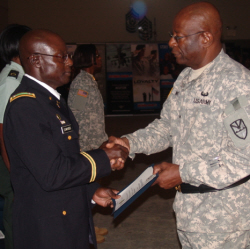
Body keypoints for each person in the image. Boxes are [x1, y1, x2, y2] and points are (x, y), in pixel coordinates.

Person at [107, 2, 250, 248]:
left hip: (224, 220)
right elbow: (167, 126)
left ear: (205, 37)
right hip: (189, 213)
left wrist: (184, 172)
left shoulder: (236, 83)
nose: (171, 43)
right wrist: (131, 143)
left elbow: (243, 157)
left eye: (178, 37)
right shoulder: (185, 77)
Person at [3, 29, 128, 249]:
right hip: (46, 227)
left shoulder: (52, 100)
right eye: (62, 56)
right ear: (35, 60)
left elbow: (68, 158)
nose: (70, 62)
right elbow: (53, 173)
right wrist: (103, 157)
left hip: (67, 217)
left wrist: (92, 192)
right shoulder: (26, 106)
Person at [67, 44, 109, 243]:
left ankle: (89, 224)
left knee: (92, 188)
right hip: (86, 145)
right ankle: (84, 230)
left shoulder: (89, 81)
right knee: (85, 189)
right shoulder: (82, 84)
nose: (100, 58)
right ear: (89, 58)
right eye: (97, 55)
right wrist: (82, 146)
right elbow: (75, 115)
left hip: (95, 142)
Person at [0, 24, 31, 249]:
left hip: (12, 155)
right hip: (7, 158)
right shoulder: (11, 79)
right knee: (13, 209)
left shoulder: (18, 76)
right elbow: (2, 128)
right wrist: (13, 169)